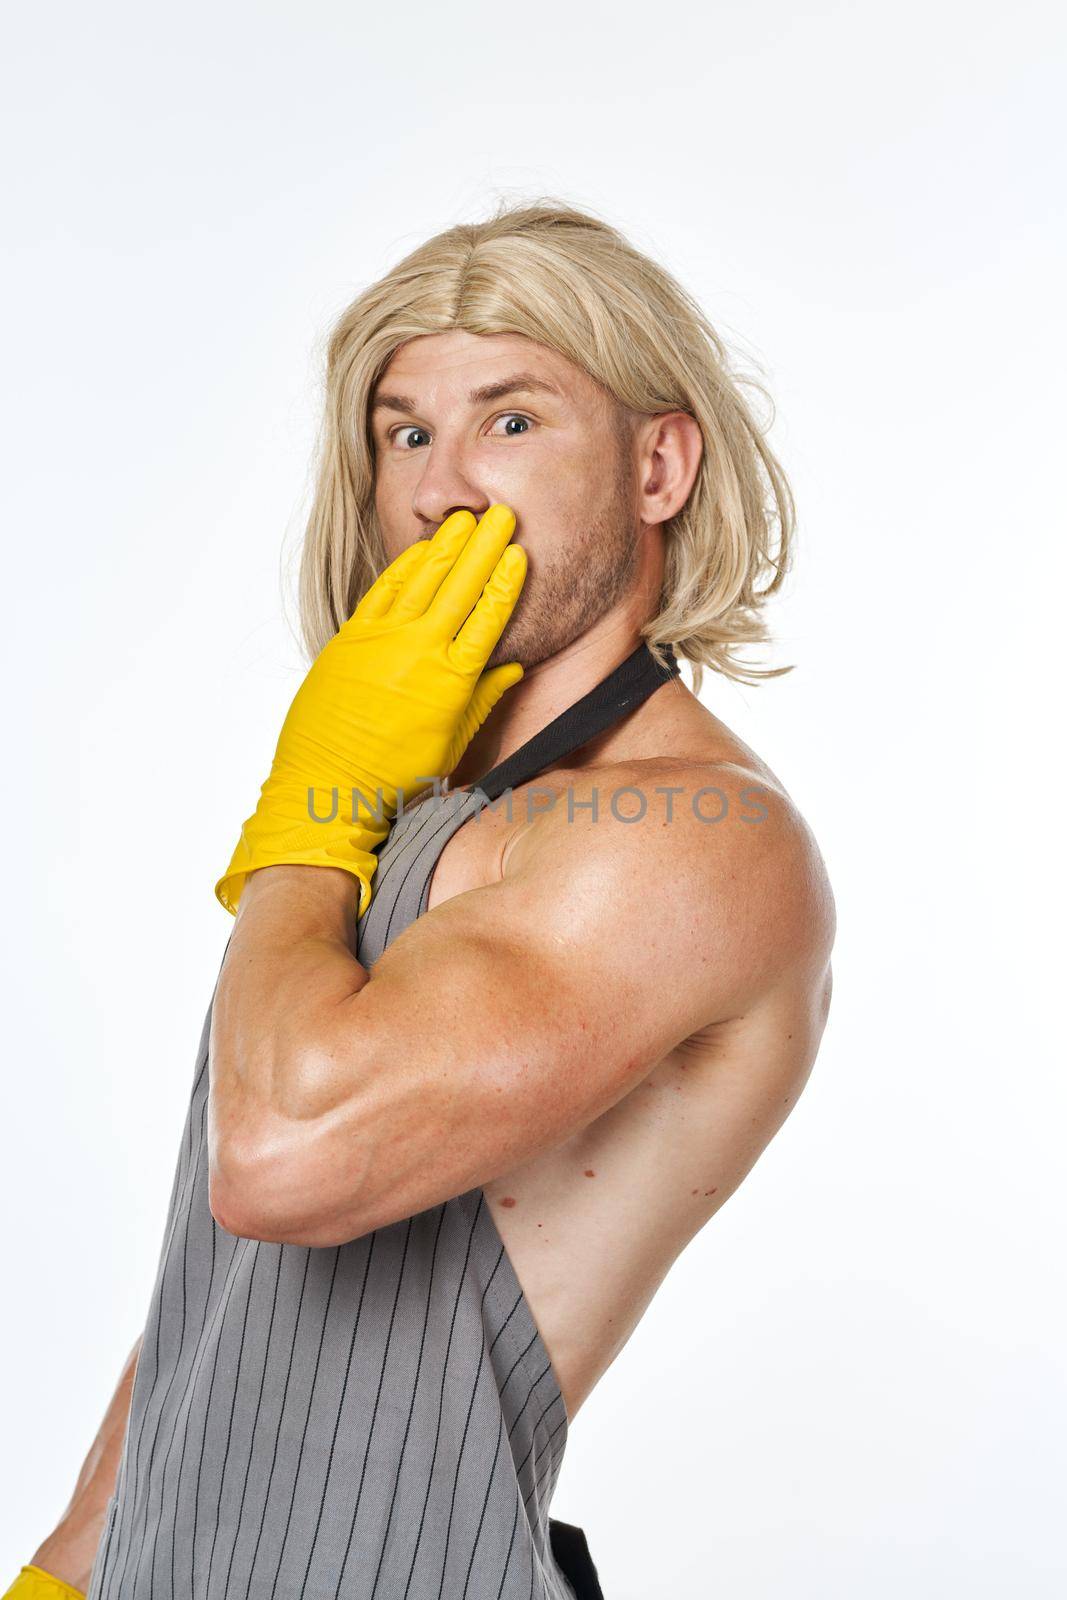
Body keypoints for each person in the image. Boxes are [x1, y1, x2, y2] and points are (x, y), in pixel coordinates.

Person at [7, 198, 835, 1600]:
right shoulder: (408, 813)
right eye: (407, 433)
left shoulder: (694, 836)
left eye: (512, 422)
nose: (446, 490)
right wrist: (65, 1571)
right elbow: (228, 1306)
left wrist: (316, 798)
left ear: (659, 464)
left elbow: (282, 1161)